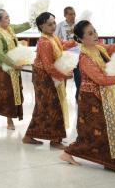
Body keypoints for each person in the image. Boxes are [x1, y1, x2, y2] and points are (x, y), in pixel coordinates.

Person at [60, 20, 115, 172]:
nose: (95, 35)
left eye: (94, 31)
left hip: (102, 95)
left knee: (110, 128)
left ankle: (107, 161)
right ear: (81, 39)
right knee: (96, 132)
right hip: (91, 98)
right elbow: (101, 79)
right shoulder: (85, 58)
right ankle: (70, 152)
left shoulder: (98, 48)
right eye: (90, 33)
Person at [23, 12, 77, 148]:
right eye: (49, 24)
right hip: (43, 78)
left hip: (48, 76)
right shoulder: (45, 42)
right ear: (42, 26)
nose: (53, 26)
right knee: (53, 106)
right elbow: (48, 66)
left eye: (54, 23)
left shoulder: (52, 37)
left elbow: (62, 46)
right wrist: (63, 75)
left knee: (43, 107)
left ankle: (29, 136)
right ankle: (55, 140)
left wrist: (75, 40)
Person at [0, 9, 31, 129]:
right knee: (6, 92)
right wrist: (13, 64)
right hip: (2, 65)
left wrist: (35, 20)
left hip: (13, 63)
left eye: (8, 17)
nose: (9, 19)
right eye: (6, 17)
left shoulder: (10, 28)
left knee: (14, 90)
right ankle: (9, 122)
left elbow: (23, 26)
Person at [56, 6, 81, 100]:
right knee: (64, 76)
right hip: (65, 55)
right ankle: (63, 96)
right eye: (70, 14)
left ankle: (78, 95)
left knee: (79, 76)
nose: (73, 16)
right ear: (65, 15)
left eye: (74, 14)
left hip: (78, 54)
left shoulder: (78, 25)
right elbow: (56, 39)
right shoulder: (60, 25)